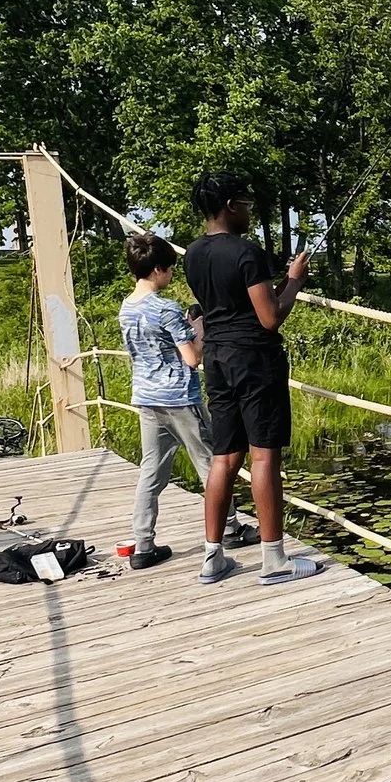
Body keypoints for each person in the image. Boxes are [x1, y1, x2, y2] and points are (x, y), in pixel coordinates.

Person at [181, 170, 322, 586]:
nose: (248, 211)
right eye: (244, 204)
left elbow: (228, 304)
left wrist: (276, 286)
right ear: (230, 206)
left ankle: (213, 557)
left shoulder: (192, 254)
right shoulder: (246, 252)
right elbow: (269, 317)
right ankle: (274, 559)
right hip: (255, 361)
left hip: (218, 360)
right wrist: (293, 282)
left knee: (224, 458)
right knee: (264, 456)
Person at [116, 229, 253, 567]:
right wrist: (201, 329)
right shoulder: (166, 309)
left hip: (146, 397)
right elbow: (192, 358)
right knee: (211, 465)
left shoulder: (127, 307)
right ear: (159, 269)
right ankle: (231, 528)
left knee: (152, 472)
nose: (172, 274)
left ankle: (144, 545)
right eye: (170, 269)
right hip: (180, 396)